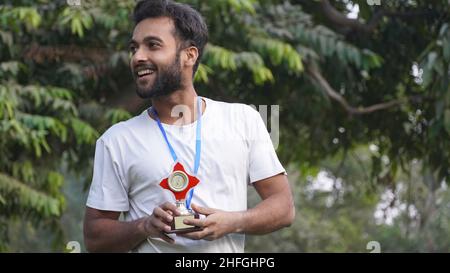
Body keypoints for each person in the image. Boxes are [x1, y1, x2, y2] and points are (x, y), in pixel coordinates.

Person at [83, 0, 295, 253]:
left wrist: (234, 222)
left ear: (189, 55)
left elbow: (283, 207)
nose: (138, 57)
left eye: (153, 45)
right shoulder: (116, 140)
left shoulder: (242, 120)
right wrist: (144, 226)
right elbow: (95, 238)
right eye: (134, 48)